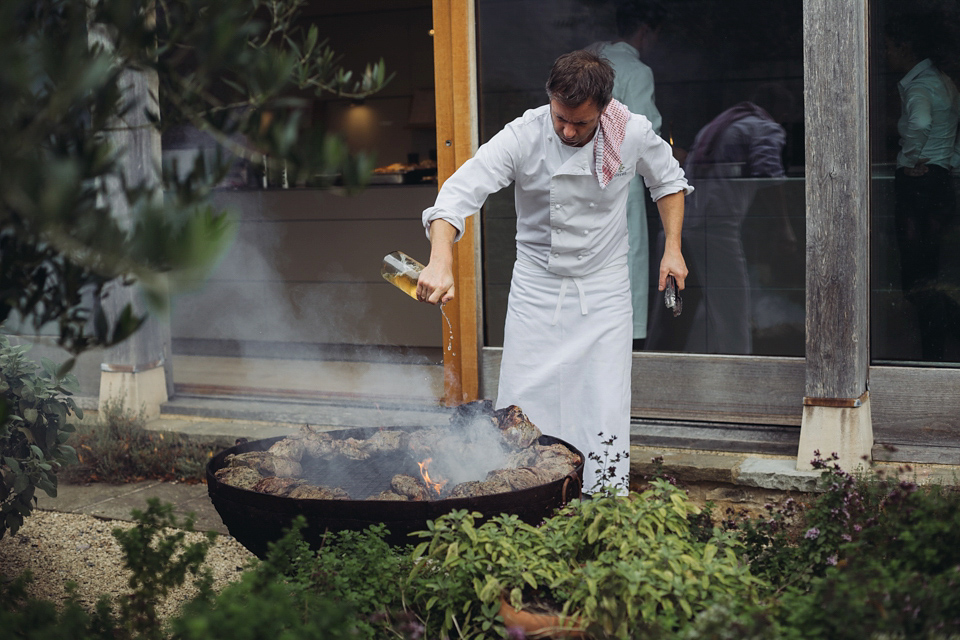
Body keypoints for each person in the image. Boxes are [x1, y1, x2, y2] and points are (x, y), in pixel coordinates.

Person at [415, 50, 692, 487]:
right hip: (536, 290)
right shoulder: (524, 135)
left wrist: (672, 248)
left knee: (603, 401)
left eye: (579, 123)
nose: (566, 129)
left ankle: (600, 502)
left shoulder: (631, 132)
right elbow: (457, 196)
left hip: (603, 290)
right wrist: (440, 259)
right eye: (560, 117)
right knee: (525, 402)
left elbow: (668, 181)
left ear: (602, 109)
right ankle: (521, 500)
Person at [647, 84, 795, 354]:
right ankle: (740, 369)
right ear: (781, 111)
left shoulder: (719, 124)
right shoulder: (764, 128)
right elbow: (769, 178)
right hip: (716, 224)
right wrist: (784, 227)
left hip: (681, 223)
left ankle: (659, 362)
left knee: (673, 306)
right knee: (732, 305)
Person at [587, 0, 668, 351]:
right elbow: (650, 136)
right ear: (645, 31)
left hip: (582, 184)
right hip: (620, 184)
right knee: (626, 271)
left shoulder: (589, 59)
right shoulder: (635, 71)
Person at [886, 13, 960, 361]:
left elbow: (921, 121)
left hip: (919, 181)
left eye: (888, 47)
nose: (886, 55)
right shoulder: (943, 81)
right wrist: (948, 161)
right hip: (942, 177)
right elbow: (952, 128)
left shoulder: (919, 85)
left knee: (917, 272)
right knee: (939, 268)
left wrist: (913, 156)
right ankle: (938, 348)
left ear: (905, 46)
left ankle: (928, 351)